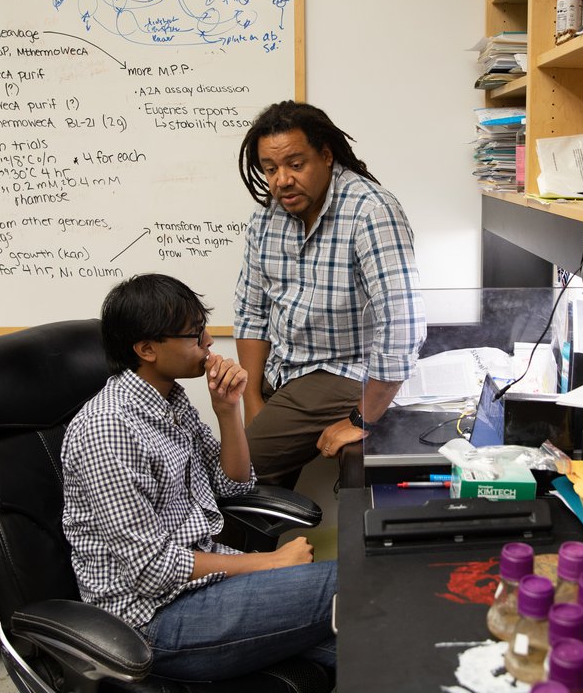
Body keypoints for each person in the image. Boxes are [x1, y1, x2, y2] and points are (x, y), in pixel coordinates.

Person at [61, 274, 336, 681]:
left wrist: (228, 409)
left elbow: (234, 485)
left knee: (368, 636)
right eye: (194, 335)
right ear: (146, 349)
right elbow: (152, 569)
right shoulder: (107, 430)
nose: (209, 343)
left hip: (203, 585)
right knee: (350, 583)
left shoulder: (171, 400)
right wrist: (269, 562)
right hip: (152, 622)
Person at [234, 100, 426, 488]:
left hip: (340, 370)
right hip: (283, 370)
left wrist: (361, 418)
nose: (282, 180)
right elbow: (251, 310)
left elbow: (401, 323)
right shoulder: (266, 216)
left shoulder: (371, 211)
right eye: (270, 169)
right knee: (255, 496)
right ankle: (264, 552)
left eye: (295, 164)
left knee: (234, 471)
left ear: (325, 155)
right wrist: (252, 398)